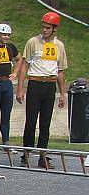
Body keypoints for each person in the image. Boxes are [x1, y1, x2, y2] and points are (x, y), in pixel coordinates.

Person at [16, 11, 68, 169]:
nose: (44, 30)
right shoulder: (33, 42)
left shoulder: (59, 46)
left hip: (49, 85)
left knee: (45, 123)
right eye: (43, 27)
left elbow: (60, 71)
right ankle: (26, 153)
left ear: (54, 29)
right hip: (35, 84)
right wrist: (20, 88)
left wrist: (62, 94)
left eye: (48, 28)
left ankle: (43, 156)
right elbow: (25, 65)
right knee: (31, 121)